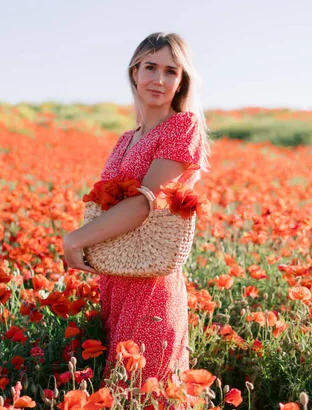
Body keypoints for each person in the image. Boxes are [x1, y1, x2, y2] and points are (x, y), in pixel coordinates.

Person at [62, 32, 212, 385]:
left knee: (146, 392)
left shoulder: (182, 126)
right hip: (115, 277)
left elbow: (147, 203)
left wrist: (75, 239)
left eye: (170, 71)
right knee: (117, 390)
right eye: (150, 67)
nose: (159, 79)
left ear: (181, 81)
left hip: (150, 280)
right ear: (134, 72)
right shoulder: (125, 139)